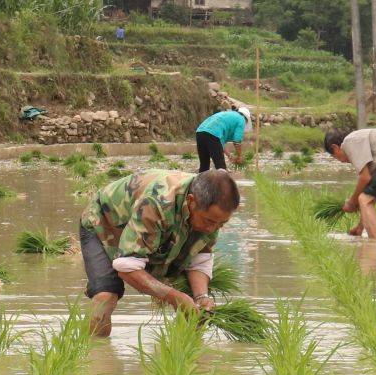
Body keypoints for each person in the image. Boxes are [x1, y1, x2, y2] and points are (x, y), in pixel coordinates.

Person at [79, 169, 241, 338]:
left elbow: (199, 257)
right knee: (105, 296)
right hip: (103, 223)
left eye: (221, 224)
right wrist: (175, 297)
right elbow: (127, 267)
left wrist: (201, 296)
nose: (212, 229)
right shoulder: (158, 202)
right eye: (209, 221)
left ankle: (188, 355)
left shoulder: (209, 216)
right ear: (191, 201)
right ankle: (93, 354)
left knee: (195, 307)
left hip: (150, 232)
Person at [194, 105, 250, 172]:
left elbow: (220, 144)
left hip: (200, 132)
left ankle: (200, 182)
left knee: (204, 165)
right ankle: (222, 180)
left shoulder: (227, 115)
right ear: (245, 118)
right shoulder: (241, 119)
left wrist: (229, 156)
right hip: (213, 134)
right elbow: (237, 141)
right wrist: (239, 156)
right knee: (221, 168)